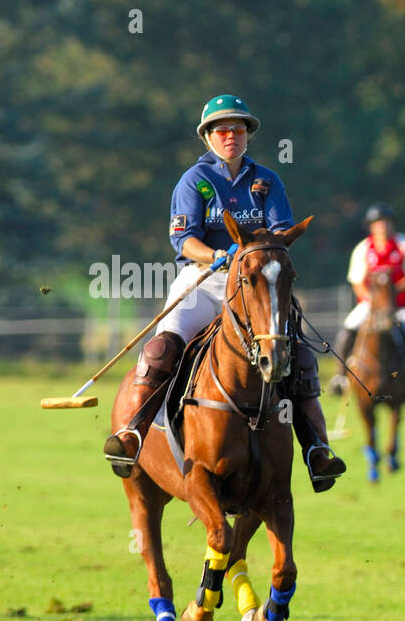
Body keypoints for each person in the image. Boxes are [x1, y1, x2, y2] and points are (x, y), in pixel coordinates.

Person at [103, 94, 345, 491]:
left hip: (254, 280)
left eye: (237, 129)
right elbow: (183, 240)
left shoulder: (266, 180)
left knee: (297, 352)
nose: (230, 135)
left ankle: (316, 449)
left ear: (247, 135)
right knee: (163, 347)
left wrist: (255, 253)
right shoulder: (194, 182)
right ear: (208, 137)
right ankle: (133, 433)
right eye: (222, 130)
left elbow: (280, 233)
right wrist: (216, 254)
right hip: (204, 277)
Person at [330, 204, 405, 402]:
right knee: (347, 330)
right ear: (371, 227)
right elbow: (357, 281)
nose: (382, 227)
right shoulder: (363, 248)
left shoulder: (404, 245)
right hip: (369, 306)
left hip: (399, 307)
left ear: (392, 224)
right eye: (378, 223)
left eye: (386, 223)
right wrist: (374, 298)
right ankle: (340, 377)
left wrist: (390, 293)